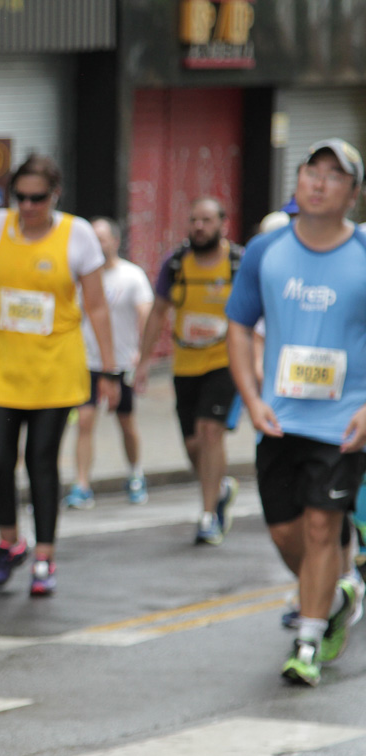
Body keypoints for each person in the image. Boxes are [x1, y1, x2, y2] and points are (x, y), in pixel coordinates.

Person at [227, 137, 366, 687]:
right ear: (298, 180)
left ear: (352, 194)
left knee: (319, 526)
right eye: (313, 170)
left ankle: (307, 640)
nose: (319, 181)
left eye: (334, 175)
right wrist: (252, 396)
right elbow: (238, 324)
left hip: (344, 424)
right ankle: (337, 590)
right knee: (288, 535)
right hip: (280, 419)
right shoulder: (267, 251)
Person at [0, 153, 119, 596]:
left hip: (55, 368)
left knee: (41, 460)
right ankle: (10, 542)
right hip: (1, 366)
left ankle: (44, 556)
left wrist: (109, 368)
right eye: (20, 197)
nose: (27, 206)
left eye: (37, 198)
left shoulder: (77, 235)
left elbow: (98, 306)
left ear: (55, 195)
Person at [134, 197, 241, 546]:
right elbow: (158, 312)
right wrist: (144, 361)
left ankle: (208, 515)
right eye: (193, 220)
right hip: (185, 365)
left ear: (223, 224)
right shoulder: (176, 264)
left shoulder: (238, 264)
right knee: (194, 443)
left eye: (206, 220)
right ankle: (220, 486)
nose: (198, 227)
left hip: (224, 362)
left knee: (210, 431)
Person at [63, 217, 155, 509]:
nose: (96, 244)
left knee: (126, 422)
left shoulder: (132, 276)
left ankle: (135, 473)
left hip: (120, 363)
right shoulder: (81, 277)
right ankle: (82, 484)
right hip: (86, 361)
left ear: (115, 241)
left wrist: (142, 353)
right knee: (85, 421)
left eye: (101, 239)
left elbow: (147, 314)